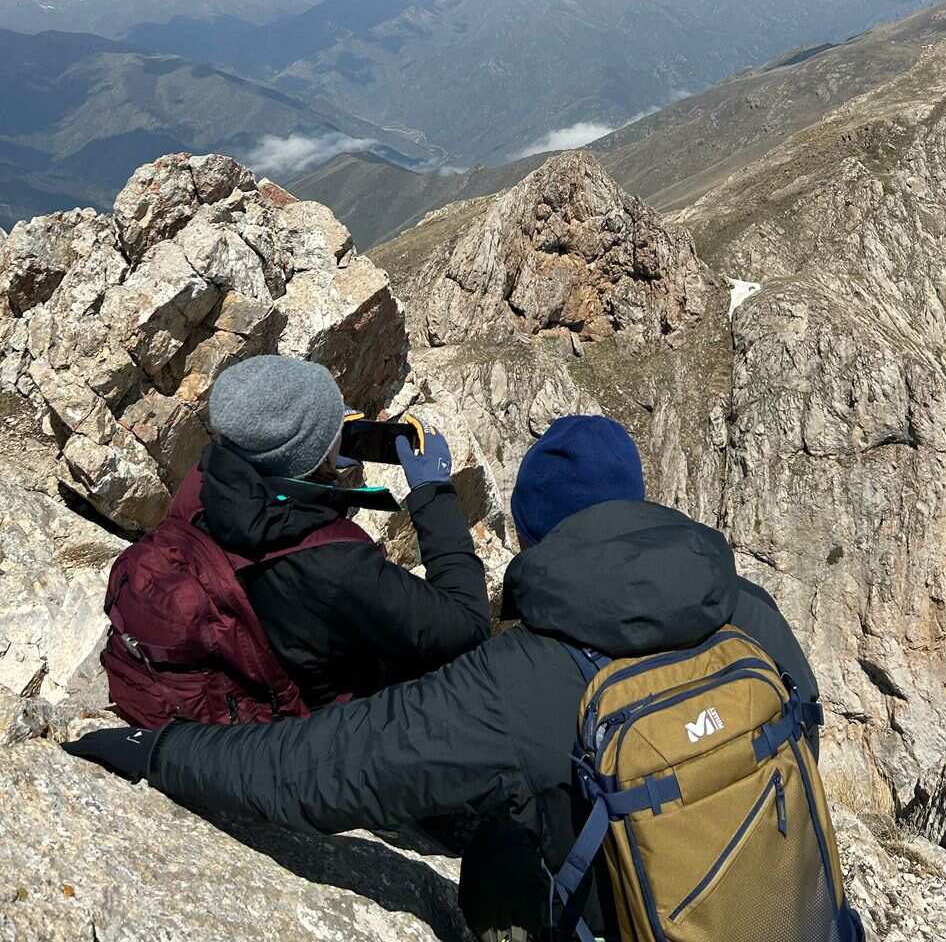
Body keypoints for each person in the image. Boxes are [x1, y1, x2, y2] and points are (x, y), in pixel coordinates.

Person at [69, 415, 823, 940]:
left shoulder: (519, 681)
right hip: (797, 911)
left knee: (498, 851)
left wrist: (161, 751)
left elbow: (324, 768)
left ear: (529, 534)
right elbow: (803, 725)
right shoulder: (749, 609)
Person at [104, 355, 490, 715]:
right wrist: (433, 494)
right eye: (332, 430)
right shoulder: (336, 564)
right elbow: (467, 626)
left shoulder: (206, 477)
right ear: (313, 455)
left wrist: (318, 465)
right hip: (319, 715)